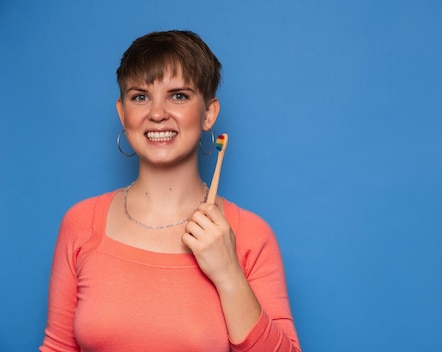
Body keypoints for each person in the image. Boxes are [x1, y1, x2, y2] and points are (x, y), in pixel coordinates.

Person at [40, 30, 300, 351]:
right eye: (141, 96)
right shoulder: (80, 223)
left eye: (178, 95)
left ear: (208, 114)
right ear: (123, 114)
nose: (158, 113)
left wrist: (229, 274)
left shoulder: (250, 236)